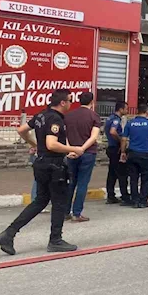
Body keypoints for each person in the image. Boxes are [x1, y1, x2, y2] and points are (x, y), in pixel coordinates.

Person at [0, 90, 84, 255]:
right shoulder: (55, 119)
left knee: (40, 201)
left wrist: (35, 145)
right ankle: (55, 240)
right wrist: (74, 149)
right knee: (59, 203)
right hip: (54, 167)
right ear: (63, 103)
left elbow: (21, 130)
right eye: (70, 101)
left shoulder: (41, 115)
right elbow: (52, 144)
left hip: (42, 163)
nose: (71, 104)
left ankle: (8, 233)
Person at [64, 91, 101, 222]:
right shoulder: (94, 116)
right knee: (82, 183)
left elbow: (65, 135)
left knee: (70, 183)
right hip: (88, 153)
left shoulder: (68, 116)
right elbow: (93, 137)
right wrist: (82, 149)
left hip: (71, 154)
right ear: (92, 101)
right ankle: (77, 212)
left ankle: (65, 212)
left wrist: (70, 150)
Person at [121, 104, 148, 208]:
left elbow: (124, 139)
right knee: (145, 178)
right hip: (145, 154)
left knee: (133, 178)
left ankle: (135, 200)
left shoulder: (130, 123)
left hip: (132, 153)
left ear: (137, 111)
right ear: (146, 112)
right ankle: (143, 200)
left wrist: (123, 152)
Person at [104, 101, 131, 205]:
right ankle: (124, 195)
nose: (127, 111)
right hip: (116, 148)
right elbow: (112, 131)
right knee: (122, 172)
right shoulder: (116, 119)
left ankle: (110, 195)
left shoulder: (109, 118)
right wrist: (121, 140)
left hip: (111, 147)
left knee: (112, 172)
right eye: (126, 109)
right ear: (121, 109)